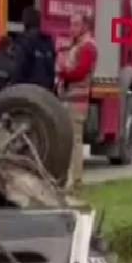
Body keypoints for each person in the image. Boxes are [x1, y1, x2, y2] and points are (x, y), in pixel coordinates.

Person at [56, 13, 97, 187]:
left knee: (75, 141)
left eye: (76, 24)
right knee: (71, 140)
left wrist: (63, 72)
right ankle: (71, 179)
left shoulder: (88, 46)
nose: (72, 28)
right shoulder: (78, 45)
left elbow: (81, 71)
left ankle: (76, 180)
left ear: (85, 26)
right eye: (71, 24)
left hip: (77, 100)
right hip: (70, 98)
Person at [12, 7, 57, 91]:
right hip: (46, 93)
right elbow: (52, 69)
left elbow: (18, 70)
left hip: (29, 94)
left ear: (24, 23)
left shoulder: (23, 42)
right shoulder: (48, 42)